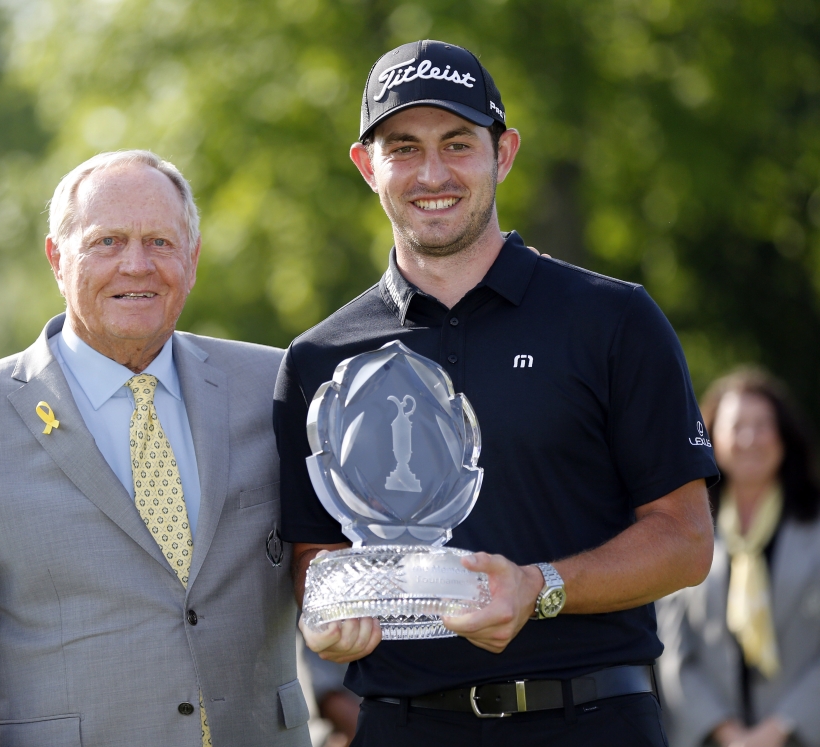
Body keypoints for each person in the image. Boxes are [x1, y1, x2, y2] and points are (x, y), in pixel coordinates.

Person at [274, 40, 718, 746]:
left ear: (502, 153)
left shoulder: (613, 319)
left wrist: (537, 587)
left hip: (592, 719)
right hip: (401, 724)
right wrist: (327, 615)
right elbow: (313, 554)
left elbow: (687, 541)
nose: (432, 173)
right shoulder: (317, 358)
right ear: (367, 166)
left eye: (457, 143)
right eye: (403, 148)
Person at [0, 150, 310, 747]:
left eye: (160, 242)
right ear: (57, 258)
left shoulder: (275, 389)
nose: (136, 266)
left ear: (193, 257)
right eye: (107, 241)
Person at [657, 369, 820, 747]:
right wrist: (729, 736)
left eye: (763, 425)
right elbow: (672, 650)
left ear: (784, 435)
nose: (750, 438)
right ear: (712, 437)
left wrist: (776, 731)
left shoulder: (813, 528)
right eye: (737, 426)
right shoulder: (688, 533)